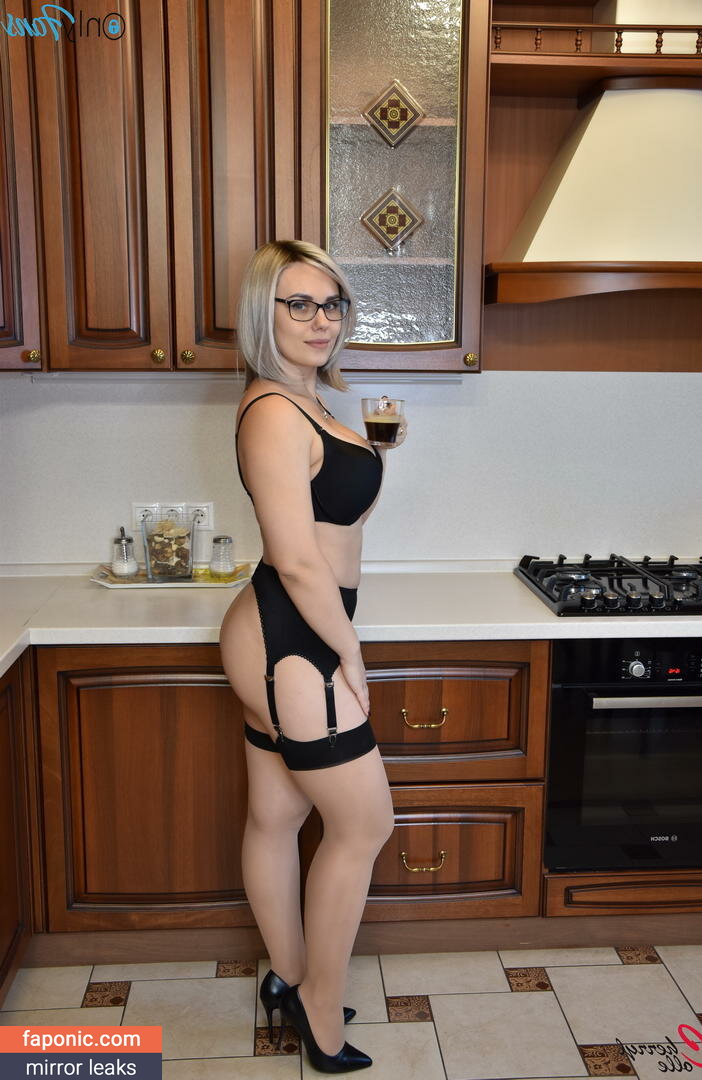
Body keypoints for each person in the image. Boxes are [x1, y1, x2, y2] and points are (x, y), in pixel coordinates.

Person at [219, 240, 405, 1073]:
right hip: (292, 636)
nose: (321, 320)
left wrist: (371, 459)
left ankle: (290, 978)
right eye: (299, 304)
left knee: (279, 815)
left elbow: (333, 518)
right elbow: (295, 559)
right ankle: (319, 1008)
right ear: (264, 313)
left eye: (332, 304)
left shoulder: (310, 400)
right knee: (365, 823)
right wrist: (350, 650)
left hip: (294, 631)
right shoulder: (271, 410)